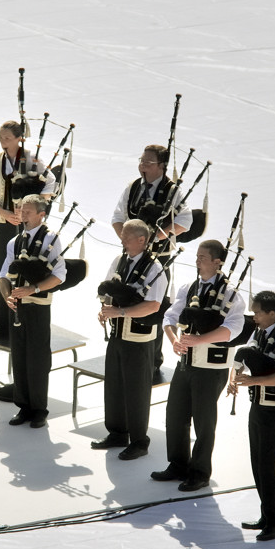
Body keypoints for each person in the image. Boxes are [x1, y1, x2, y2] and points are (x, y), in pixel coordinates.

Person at [154, 240, 247, 491]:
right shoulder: (189, 287)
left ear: (218, 262)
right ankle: (178, 465)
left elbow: (233, 329)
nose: (197, 261)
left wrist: (199, 340)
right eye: (197, 256)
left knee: (204, 422)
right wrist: (174, 340)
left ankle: (200, 472)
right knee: (175, 415)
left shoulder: (231, 294)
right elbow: (170, 317)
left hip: (211, 368)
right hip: (186, 363)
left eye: (203, 257)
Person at [111, 144, 191, 381]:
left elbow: (185, 221)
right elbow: (117, 217)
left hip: (158, 258)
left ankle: (153, 359)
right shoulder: (133, 187)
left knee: (154, 304)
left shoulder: (172, 191)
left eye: (148, 162)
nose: (142, 166)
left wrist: (155, 237)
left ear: (162, 166)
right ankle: (123, 344)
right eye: (141, 161)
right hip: (131, 255)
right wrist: (128, 239)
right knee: (126, 295)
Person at [228, 290, 275, 541]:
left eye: (258, 312)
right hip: (258, 404)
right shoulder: (259, 334)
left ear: (272, 314)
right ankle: (266, 515)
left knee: (269, 465)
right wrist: (235, 377)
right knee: (257, 463)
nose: (254, 317)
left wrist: (255, 381)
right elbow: (243, 358)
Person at [92, 220, 167, 460]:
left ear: (141, 240)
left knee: (136, 391)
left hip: (139, 339)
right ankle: (117, 433)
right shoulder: (119, 261)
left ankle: (139, 441)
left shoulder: (155, 268)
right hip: (117, 334)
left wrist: (121, 312)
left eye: (126, 237)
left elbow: (153, 305)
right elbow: (107, 290)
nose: (122, 240)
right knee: (114, 386)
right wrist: (105, 309)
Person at [0, 120, 55, 340]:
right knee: (3, 271)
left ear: (19, 138)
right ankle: (1, 324)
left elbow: (51, 181)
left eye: (7, 138)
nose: (3, 142)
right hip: (3, 223)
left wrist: (35, 205)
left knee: (25, 270)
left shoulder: (31, 160)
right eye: (1, 137)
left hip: (27, 226)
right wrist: (5, 213)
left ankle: (23, 321)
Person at [0, 194, 65, 428]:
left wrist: (33, 289)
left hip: (38, 307)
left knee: (37, 358)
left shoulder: (51, 239)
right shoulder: (14, 242)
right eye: (20, 210)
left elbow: (59, 275)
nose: (22, 215)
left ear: (41, 214)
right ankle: (24, 406)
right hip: (17, 306)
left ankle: (39, 409)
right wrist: (7, 296)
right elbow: (3, 275)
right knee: (19, 357)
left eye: (27, 211)